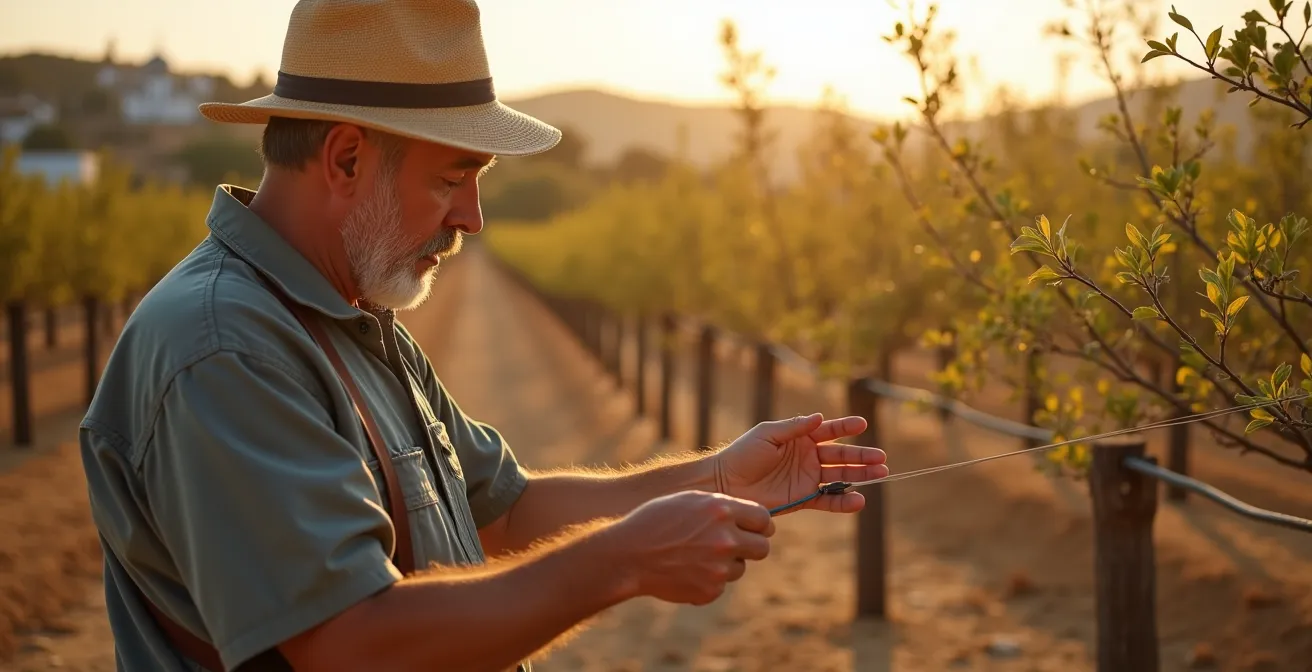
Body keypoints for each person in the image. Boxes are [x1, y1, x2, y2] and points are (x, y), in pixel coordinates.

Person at [77, 1, 890, 670]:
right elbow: (351, 642)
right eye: (451, 178)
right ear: (347, 158)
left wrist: (721, 478)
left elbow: (504, 510)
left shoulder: (349, 315)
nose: (472, 217)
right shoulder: (226, 349)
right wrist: (623, 562)